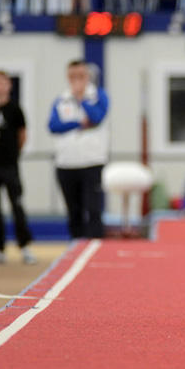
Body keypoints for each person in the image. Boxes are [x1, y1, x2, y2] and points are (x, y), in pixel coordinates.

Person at [48, 60, 109, 238]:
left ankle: (96, 246)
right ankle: (76, 245)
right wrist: (78, 123)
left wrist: (82, 99)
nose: (77, 81)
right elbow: (53, 126)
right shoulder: (61, 99)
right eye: (73, 77)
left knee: (93, 209)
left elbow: (97, 117)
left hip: (92, 162)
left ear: (87, 77)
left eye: (81, 76)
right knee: (73, 211)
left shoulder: (98, 96)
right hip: (66, 163)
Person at [0, 71, 37, 265]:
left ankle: (24, 246)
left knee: (17, 205)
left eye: (2, 82)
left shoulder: (16, 109)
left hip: (10, 166)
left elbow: (22, 135)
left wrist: (15, 153)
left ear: (9, 85)